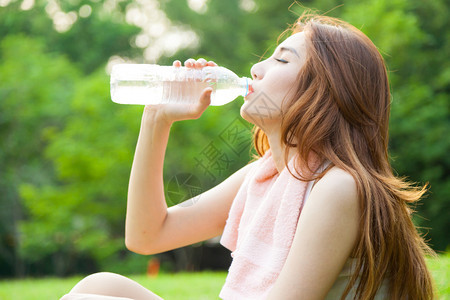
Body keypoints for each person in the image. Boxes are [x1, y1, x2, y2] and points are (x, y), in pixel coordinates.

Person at [61, 11, 436, 300]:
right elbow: (146, 235)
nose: (256, 68)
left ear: (325, 91)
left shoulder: (339, 186)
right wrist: (157, 118)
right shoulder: (267, 176)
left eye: (282, 60)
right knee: (103, 284)